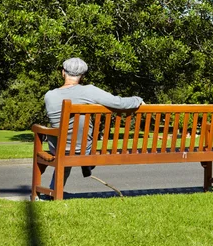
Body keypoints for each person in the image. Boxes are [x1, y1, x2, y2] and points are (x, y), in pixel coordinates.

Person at [44, 57, 144, 190]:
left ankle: (54, 190)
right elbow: (119, 103)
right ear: (82, 75)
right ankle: (86, 164)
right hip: (83, 149)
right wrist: (138, 99)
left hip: (58, 148)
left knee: (66, 146)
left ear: (63, 72)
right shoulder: (89, 91)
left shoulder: (49, 95)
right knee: (79, 137)